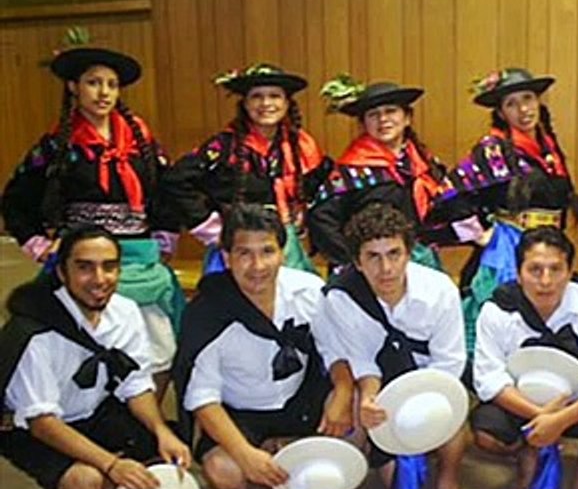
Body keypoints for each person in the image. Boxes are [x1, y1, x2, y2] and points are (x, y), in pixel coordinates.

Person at [1, 41, 186, 392]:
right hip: (83, 262)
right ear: (73, 87)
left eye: (111, 85)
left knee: (159, 347)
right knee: (76, 347)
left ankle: (146, 423)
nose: (103, 93)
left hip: (141, 262)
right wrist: (38, 243)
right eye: (93, 82)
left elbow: (167, 193)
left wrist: (164, 236)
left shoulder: (142, 144)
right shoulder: (56, 146)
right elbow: (15, 198)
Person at [0, 226, 191, 489]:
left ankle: (110, 472)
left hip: (94, 410)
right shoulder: (35, 332)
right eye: (85, 266)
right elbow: (42, 422)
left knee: (169, 451)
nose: (99, 278)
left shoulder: (125, 312)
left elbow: (136, 385)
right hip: (31, 427)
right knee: (84, 485)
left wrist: (161, 431)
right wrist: (111, 465)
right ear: (62, 271)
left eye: (109, 266)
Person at [172, 204, 369, 489]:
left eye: (267, 251)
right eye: (244, 254)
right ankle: (258, 464)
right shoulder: (207, 312)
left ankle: (333, 483)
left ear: (283, 252)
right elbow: (202, 398)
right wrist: (244, 453)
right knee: (224, 470)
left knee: (358, 406)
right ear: (226, 257)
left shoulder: (308, 290)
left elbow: (335, 350)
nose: (257, 265)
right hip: (242, 410)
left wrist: (343, 394)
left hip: (298, 397)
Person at [323, 202, 468, 489]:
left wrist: (418, 400)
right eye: (373, 257)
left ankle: (448, 481)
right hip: (379, 378)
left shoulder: (440, 290)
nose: (385, 268)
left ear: (409, 253)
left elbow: (450, 361)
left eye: (394, 254)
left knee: (453, 413)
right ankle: (340, 487)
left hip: (429, 379)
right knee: (353, 406)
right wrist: (372, 399)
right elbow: (361, 360)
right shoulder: (341, 297)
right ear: (357, 262)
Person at [471, 227, 578, 489]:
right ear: (518, 272)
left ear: (570, 272)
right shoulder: (496, 311)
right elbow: (489, 378)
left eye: (555, 270)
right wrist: (541, 418)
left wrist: (559, 420)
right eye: (534, 270)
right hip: (522, 404)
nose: (545, 281)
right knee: (486, 431)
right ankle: (525, 449)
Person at [434, 68, 578, 355]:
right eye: (511, 104)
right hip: (509, 246)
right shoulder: (493, 149)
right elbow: (449, 193)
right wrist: (478, 233)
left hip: (550, 244)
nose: (523, 109)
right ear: (501, 113)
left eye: (528, 99)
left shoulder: (549, 147)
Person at [165, 63, 335, 274]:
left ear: (286, 103)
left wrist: (303, 218)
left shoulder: (302, 146)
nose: (266, 103)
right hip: (239, 245)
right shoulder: (224, 146)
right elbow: (175, 181)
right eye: (257, 96)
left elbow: (323, 189)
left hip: (287, 245)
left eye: (274, 96)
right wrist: (213, 228)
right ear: (245, 104)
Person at [310, 76, 456, 275]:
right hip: (369, 270)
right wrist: (357, 262)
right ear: (364, 124)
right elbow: (322, 222)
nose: (383, 119)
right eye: (373, 114)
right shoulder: (350, 172)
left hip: (419, 264)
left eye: (391, 111)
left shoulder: (424, 165)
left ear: (407, 118)